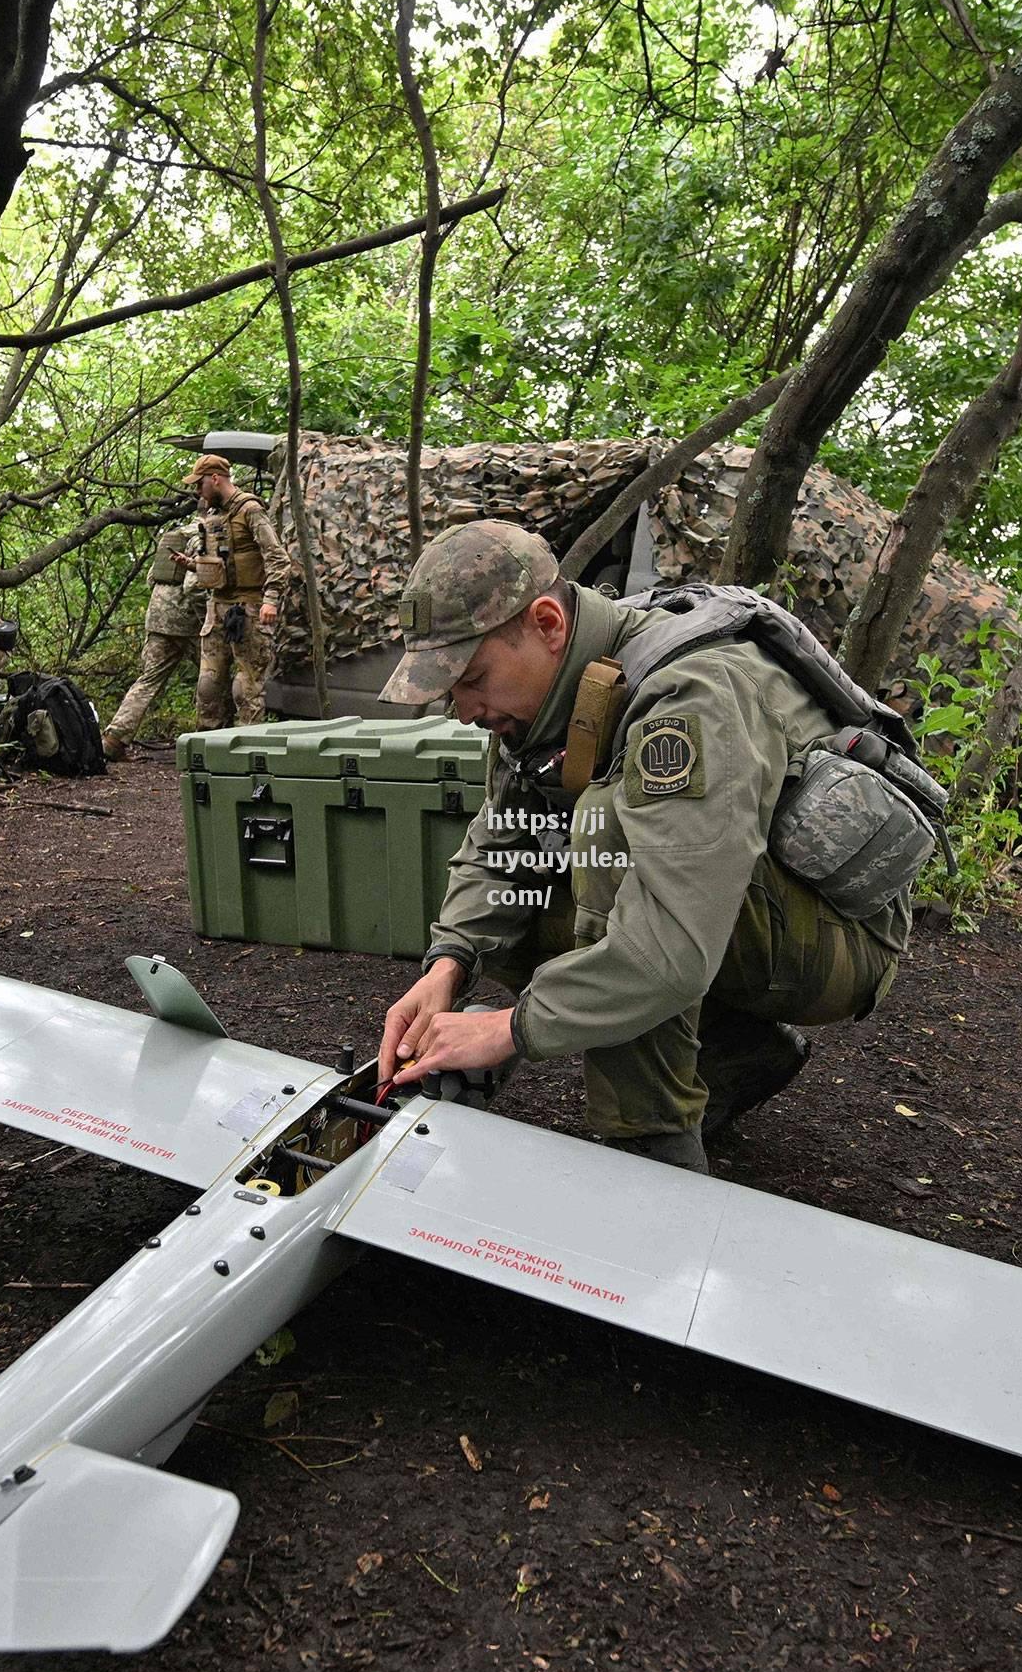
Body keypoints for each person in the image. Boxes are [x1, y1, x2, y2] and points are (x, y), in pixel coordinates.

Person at [372, 522, 914, 1171]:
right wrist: (448, 967)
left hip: (835, 938)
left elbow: (670, 946)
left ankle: (653, 1148)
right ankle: (732, 1050)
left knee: (605, 832)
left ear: (547, 623)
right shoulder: (549, 696)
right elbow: (504, 841)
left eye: (473, 677)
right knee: (521, 909)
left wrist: (507, 1029)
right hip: (731, 910)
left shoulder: (687, 694)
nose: (462, 708)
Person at [184, 454, 297, 726]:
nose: (197, 491)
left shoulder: (250, 510)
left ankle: (247, 751)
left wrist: (270, 599)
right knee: (208, 686)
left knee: (245, 689)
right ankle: (208, 751)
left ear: (215, 478)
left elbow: (278, 558)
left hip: (249, 608)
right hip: (218, 608)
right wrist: (192, 565)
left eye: (199, 484)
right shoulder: (214, 515)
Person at [101, 512, 209, 760]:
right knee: (213, 678)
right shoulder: (203, 536)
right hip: (187, 620)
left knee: (148, 680)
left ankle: (113, 739)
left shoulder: (175, 534)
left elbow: (152, 578)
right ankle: (211, 740)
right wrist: (206, 620)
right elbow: (193, 587)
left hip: (157, 615)